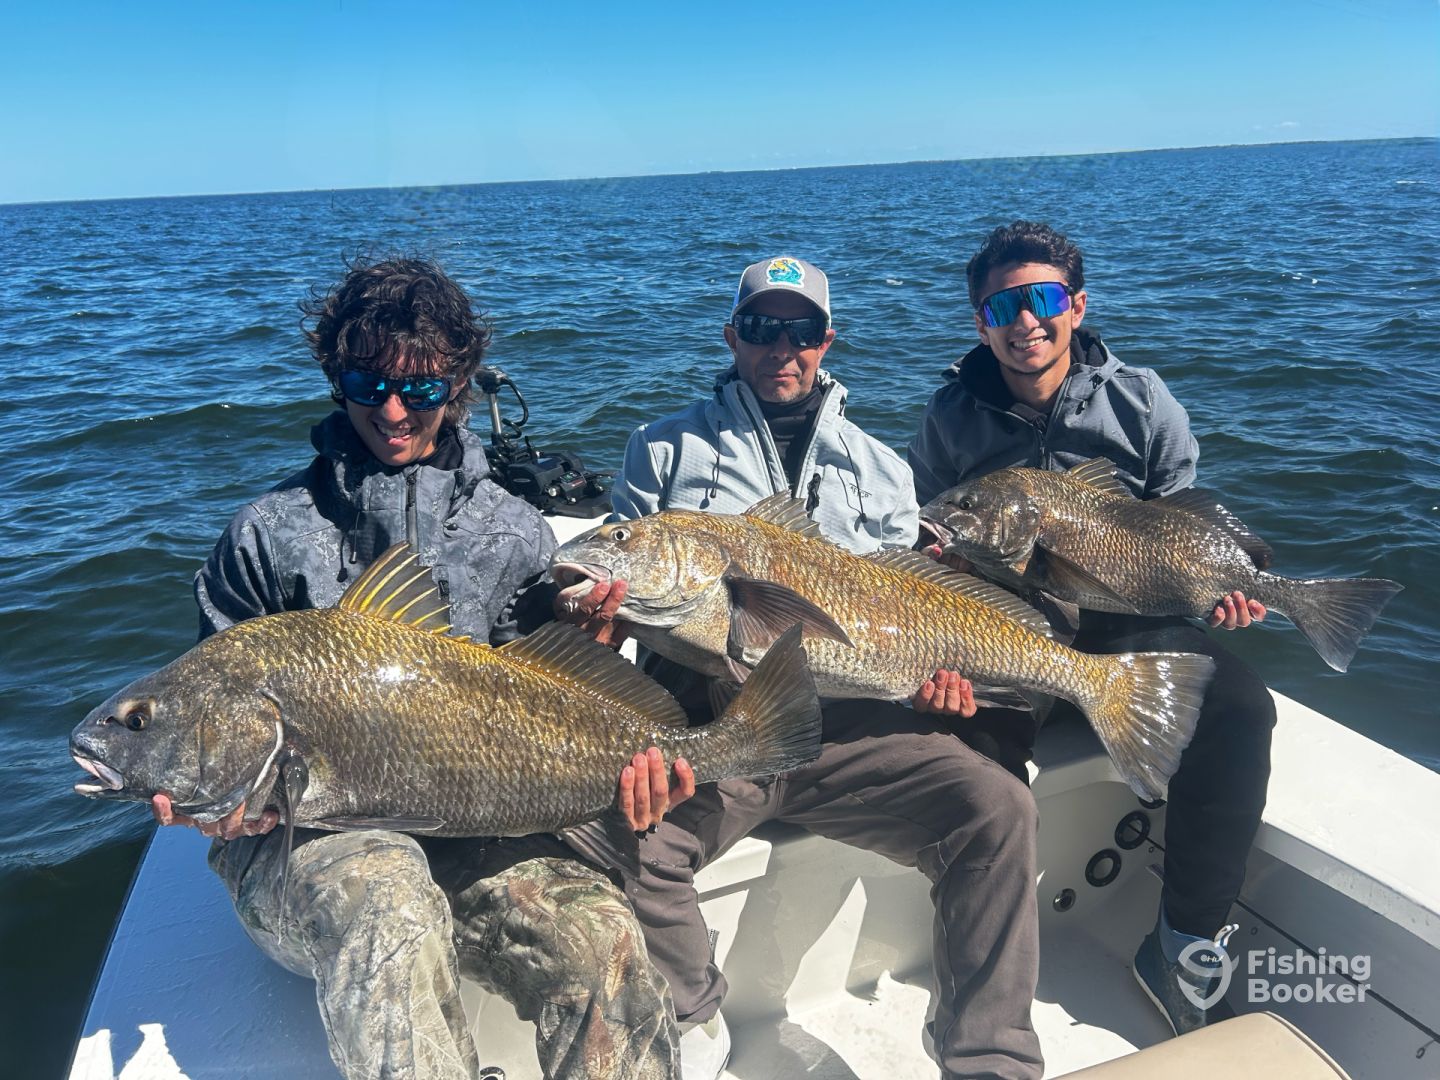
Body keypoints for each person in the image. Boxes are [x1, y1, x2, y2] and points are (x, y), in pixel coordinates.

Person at [150, 257, 683, 1080]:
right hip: (305, 844)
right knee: (390, 900)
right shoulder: (263, 536)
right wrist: (208, 797)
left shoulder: (515, 533)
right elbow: (205, 713)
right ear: (336, 381)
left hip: (480, 828)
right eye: (368, 385)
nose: (393, 411)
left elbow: (546, 700)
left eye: (421, 388)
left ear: (459, 383)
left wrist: (602, 670)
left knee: (601, 939)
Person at [563, 256, 1044, 1080]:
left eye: (801, 331)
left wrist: (938, 686)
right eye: (761, 328)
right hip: (713, 730)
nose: (781, 347)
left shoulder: (883, 468)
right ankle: (695, 1024)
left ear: (827, 341)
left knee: (998, 807)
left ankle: (989, 1058)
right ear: (732, 337)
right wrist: (597, 617)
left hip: (850, 727)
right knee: (613, 834)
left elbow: (908, 604)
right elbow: (620, 607)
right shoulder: (661, 449)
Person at [908, 221, 1276, 1036]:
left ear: (1076, 305)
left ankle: (1184, 944)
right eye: (1000, 307)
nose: (1024, 321)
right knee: (966, 751)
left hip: (1128, 620)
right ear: (980, 323)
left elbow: (1180, 523)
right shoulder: (948, 417)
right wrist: (946, 565)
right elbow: (925, 534)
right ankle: (977, 984)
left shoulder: (1141, 399)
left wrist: (1219, 591)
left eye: (1042, 299)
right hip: (1005, 630)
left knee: (1241, 708)